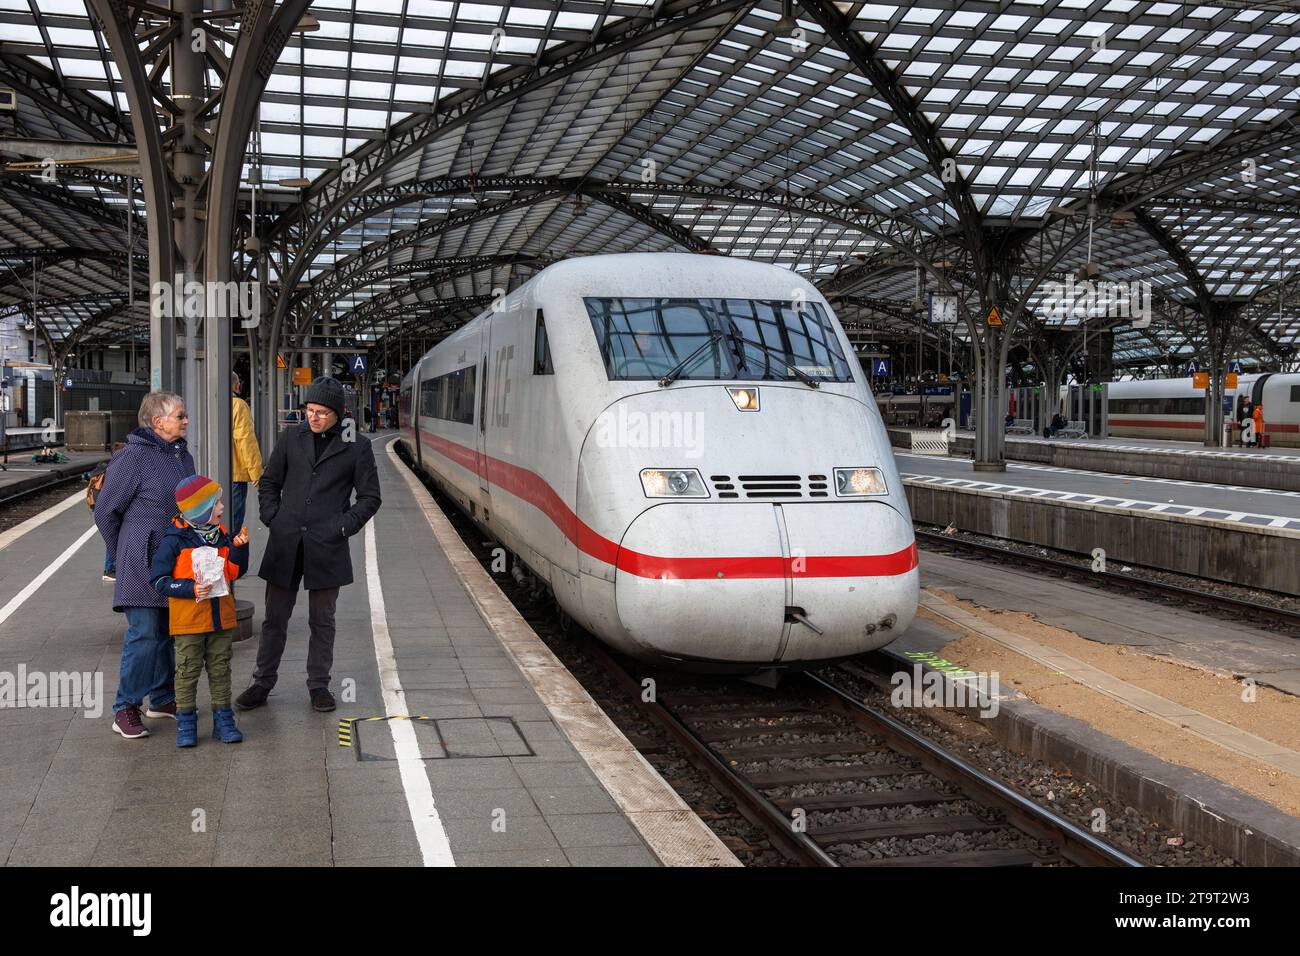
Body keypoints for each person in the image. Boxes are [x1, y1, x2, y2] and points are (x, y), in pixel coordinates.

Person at [236, 377, 382, 713]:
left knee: (323, 621)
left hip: (327, 545)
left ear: (338, 413)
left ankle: (319, 685)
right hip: (285, 541)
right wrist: (272, 517)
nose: (313, 417)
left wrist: (342, 526)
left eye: (321, 412)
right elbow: (270, 482)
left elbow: (370, 497)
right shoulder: (292, 437)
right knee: (275, 619)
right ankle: (262, 682)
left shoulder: (357, 446)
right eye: (309, 410)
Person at [93, 391, 196, 739]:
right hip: (141, 559)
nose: (185, 420)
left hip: (172, 559)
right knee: (145, 634)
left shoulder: (182, 456)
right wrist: (124, 552)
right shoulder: (132, 458)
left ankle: (162, 698)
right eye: (179, 415)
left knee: (167, 630)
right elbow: (105, 512)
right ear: (157, 422)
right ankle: (126, 707)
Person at [151, 475, 250, 747]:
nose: (222, 508)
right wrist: (190, 588)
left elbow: (235, 572)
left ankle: (224, 720)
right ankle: (186, 723)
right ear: (200, 510)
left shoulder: (221, 536)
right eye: (216, 503)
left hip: (220, 619)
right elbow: (159, 580)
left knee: (221, 669)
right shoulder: (174, 541)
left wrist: (239, 549)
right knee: (187, 671)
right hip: (189, 622)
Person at [231, 372, 263, 534]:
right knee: (233, 522)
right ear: (237, 386)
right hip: (235, 474)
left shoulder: (207, 402)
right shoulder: (238, 405)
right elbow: (246, 440)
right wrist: (256, 472)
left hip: (208, 473)